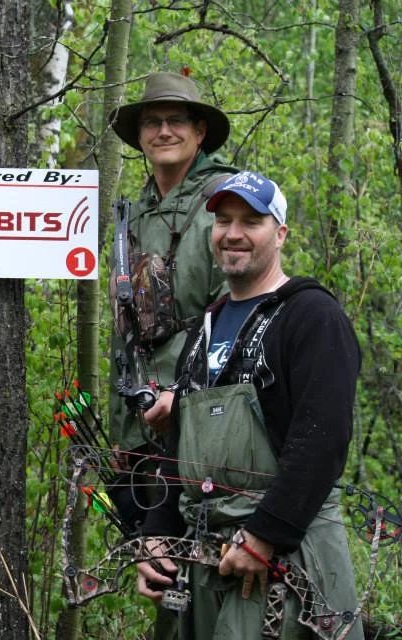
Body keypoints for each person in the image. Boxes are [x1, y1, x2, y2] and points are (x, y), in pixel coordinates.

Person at [136, 171, 362, 640]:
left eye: (252, 221)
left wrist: (264, 535)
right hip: (207, 559)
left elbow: (321, 441)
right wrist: (156, 535)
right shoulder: (204, 327)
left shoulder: (311, 316)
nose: (233, 234)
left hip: (285, 557)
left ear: (279, 233)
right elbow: (178, 446)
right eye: (223, 221)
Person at [106, 70, 238, 531]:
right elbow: (123, 331)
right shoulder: (133, 214)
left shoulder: (227, 202)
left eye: (177, 120)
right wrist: (123, 430)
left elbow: (240, 317)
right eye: (152, 122)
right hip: (140, 427)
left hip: (203, 422)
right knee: (159, 570)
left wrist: (183, 395)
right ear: (140, 137)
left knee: (206, 564)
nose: (164, 131)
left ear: (199, 132)